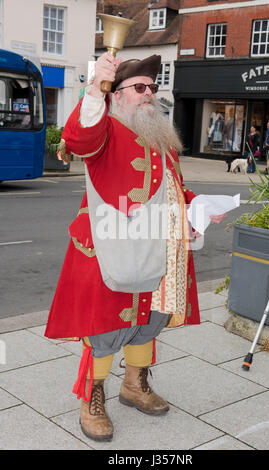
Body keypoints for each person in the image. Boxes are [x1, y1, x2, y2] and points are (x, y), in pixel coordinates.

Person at [44, 53, 227, 442]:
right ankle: (92, 398)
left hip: (157, 246)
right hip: (109, 247)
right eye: (139, 88)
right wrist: (96, 87)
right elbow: (79, 138)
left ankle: (134, 384)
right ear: (118, 95)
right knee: (105, 325)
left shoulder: (162, 136)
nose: (149, 95)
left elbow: (170, 189)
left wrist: (197, 207)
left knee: (149, 319)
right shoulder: (104, 127)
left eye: (153, 88)